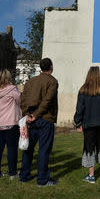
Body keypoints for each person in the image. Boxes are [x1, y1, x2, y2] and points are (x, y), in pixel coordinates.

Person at [19, 58, 58, 187]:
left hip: (31, 118)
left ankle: (24, 176)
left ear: (41, 68)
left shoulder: (31, 81)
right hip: (45, 119)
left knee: (28, 148)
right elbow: (47, 101)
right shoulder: (52, 81)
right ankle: (42, 180)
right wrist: (34, 115)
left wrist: (28, 114)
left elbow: (22, 100)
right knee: (43, 150)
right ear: (51, 67)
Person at [74, 66, 100, 184]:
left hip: (89, 124)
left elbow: (79, 108)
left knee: (89, 148)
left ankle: (91, 175)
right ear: (99, 74)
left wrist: (78, 122)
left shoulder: (83, 90)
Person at [0, 69, 22, 180]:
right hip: (10, 122)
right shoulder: (12, 89)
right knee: (12, 148)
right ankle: (12, 173)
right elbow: (20, 101)